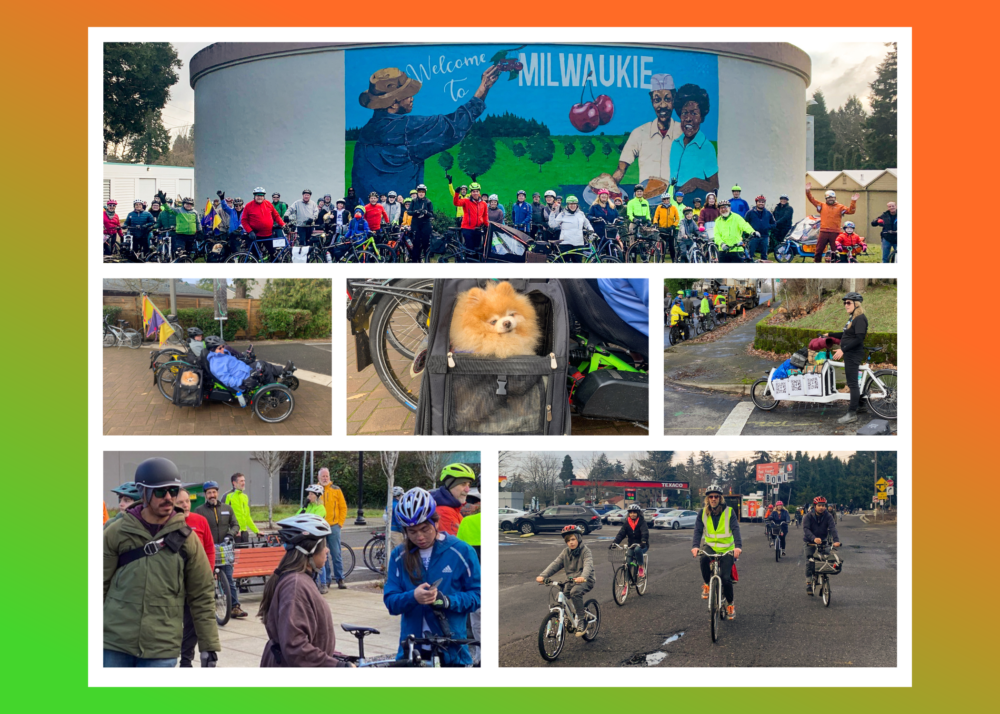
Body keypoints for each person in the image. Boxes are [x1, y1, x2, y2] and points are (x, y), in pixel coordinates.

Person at [103, 458, 220, 668]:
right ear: (143, 492)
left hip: (161, 646)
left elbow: (202, 594)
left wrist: (208, 646)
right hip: (114, 643)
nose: (168, 497)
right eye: (160, 492)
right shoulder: (117, 531)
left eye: (173, 491)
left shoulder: (187, 539)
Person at [352, 65, 501, 199]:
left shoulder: (365, 133)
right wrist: (483, 88)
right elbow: (454, 125)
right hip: (405, 216)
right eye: (406, 95)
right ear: (393, 103)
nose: (411, 98)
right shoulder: (408, 129)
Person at [384, 488, 481, 666]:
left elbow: (478, 595)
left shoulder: (461, 551)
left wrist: (448, 601)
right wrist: (413, 597)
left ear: (436, 523)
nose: (419, 537)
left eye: (424, 529)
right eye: (412, 532)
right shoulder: (399, 555)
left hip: (451, 651)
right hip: (412, 652)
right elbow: (391, 601)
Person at [259, 514, 354, 667]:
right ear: (311, 550)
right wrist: (336, 667)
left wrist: (336, 657)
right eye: (324, 545)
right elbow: (295, 647)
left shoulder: (300, 580)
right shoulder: (295, 586)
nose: (327, 550)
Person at [613, 73, 681, 186]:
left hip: (674, 200)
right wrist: (606, 188)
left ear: (674, 100)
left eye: (667, 99)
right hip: (646, 199)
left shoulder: (683, 132)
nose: (663, 105)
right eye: (657, 100)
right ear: (651, 101)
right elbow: (621, 169)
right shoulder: (639, 133)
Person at [173, 488, 216, 667]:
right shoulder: (169, 524)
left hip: (196, 584)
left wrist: (208, 574)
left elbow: (209, 548)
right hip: (174, 585)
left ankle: (186, 660)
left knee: (191, 626)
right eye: (180, 502)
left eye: (188, 501)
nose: (185, 505)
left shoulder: (200, 521)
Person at [690, 484, 742, 621]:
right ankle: (707, 584)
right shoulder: (702, 512)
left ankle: (730, 605)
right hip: (711, 546)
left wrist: (738, 547)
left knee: (725, 578)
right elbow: (698, 531)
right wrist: (695, 546)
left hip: (727, 549)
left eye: (716, 496)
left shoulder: (729, 511)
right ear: (708, 498)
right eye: (711, 496)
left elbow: (736, 530)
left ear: (720, 498)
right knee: (703, 558)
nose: (713, 499)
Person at [195, 480, 245, 618]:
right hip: (208, 550)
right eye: (209, 492)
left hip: (224, 549)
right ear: (205, 494)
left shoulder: (227, 508)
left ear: (217, 493)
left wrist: (230, 534)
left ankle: (235, 606)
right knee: (207, 581)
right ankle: (209, 607)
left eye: (214, 492)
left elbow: (235, 525)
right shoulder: (200, 510)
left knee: (229, 579)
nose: (212, 495)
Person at [536, 525, 595, 636]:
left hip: (586, 580)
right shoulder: (565, 552)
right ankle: (569, 615)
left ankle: (581, 620)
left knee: (575, 592)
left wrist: (583, 577)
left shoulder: (586, 551)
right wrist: (543, 576)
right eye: (568, 541)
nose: (570, 543)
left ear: (578, 538)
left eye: (573, 539)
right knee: (562, 594)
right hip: (571, 580)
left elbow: (588, 565)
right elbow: (556, 564)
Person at [669, 83, 720, 200]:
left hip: (695, 202)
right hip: (674, 202)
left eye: (694, 113)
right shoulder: (675, 144)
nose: (688, 118)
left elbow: (714, 186)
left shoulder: (706, 147)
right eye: (684, 113)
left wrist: (695, 182)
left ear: (701, 117)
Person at [825, 292, 869, 424]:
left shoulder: (860, 318)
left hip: (853, 354)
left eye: (848, 302)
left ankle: (851, 414)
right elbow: (845, 334)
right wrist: (830, 334)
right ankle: (861, 406)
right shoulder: (853, 318)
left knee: (852, 384)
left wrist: (843, 350)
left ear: (856, 304)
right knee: (854, 382)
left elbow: (859, 338)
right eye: (844, 303)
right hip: (850, 353)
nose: (846, 305)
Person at [456, 488, 482, 666]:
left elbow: (458, 557)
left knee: (477, 620)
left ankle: (480, 656)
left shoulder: (467, 523)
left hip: (473, 580)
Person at [805, 182, 858, 263]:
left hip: (835, 232)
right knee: (819, 250)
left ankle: (834, 264)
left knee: (835, 251)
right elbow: (812, 200)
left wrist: (853, 201)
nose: (830, 199)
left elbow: (851, 211)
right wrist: (808, 191)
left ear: (835, 198)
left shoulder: (840, 207)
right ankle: (816, 264)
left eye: (832, 197)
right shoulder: (821, 205)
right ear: (826, 199)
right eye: (829, 198)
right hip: (823, 232)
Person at [802, 496, 841, 595]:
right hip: (810, 541)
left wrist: (836, 541)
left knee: (826, 559)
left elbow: (833, 529)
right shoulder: (808, 516)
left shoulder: (828, 516)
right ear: (815, 506)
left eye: (823, 505)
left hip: (823, 541)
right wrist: (813, 538)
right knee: (809, 562)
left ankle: (824, 582)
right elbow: (806, 529)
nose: (821, 507)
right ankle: (809, 583)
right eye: (819, 505)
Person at [318, 467, 348, 590]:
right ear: (318, 478)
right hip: (320, 527)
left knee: (336, 554)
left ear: (329, 477)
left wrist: (340, 523)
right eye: (323, 476)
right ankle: (327, 580)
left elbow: (343, 507)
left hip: (334, 526)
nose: (325, 478)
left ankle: (340, 578)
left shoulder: (336, 490)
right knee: (323, 555)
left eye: (327, 476)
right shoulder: (316, 490)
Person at [431, 462, 476, 536]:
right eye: (463, 484)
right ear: (450, 485)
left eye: (469, 485)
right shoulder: (445, 512)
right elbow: (456, 545)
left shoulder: (453, 508)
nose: (467, 490)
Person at [239, 187, 285, 260]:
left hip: (268, 235)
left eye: (261, 195)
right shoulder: (248, 206)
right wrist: (250, 231)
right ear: (254, 196)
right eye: (258, 195)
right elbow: (244, 220)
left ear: (264, 196)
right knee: (255, 256)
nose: (259, 197)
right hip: (255, 235)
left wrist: (283, 225)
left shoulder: (268, 204)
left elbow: (276, 216)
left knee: (273, 254)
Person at [547, 195, 595, 262]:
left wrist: (591, 230)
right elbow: (552, 225)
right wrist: (552, 212)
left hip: (578, 243)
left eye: (574, 204)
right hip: (565, 243)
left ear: (577, 205)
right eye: (570, 204)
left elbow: (587, 223)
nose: (572, 206)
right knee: (564, 262)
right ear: (567, 205)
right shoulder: (562, 214)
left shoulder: (581, 214)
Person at [156, 193, 201, 257]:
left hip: (191, 235)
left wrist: (200, 231)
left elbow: (198, 222)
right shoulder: (178, 210)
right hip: (181, 236)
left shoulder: (195, 212)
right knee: (180, 252)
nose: (188, 205)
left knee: (188, 253)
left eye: (190, 204)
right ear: (183, 204)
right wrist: (163, 201)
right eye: (187, 204)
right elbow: (168, 208)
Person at [611, 504, 649, 579]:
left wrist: (643, 541)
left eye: (634, 512)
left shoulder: (642, 522)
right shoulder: (626, 523)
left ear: (638, 513)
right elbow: (621, 534)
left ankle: (641, 567)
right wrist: (615, 543)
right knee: (628, 564)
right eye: (631, 512)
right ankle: (626, 585)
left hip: (642, 545)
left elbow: (645, 532)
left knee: (637, 550)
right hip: (631, 546)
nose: (632, 514)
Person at [453, 181, 489, 253]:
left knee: (477, 249)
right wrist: (456, 193)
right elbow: (456, 203)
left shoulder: (483, 203)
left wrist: (488, 226)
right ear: (471, 192)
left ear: (479, 192)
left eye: (477, 191)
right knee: (470, 248)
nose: (475, 193)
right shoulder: (466, 201)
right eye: (473, 191)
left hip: (478, 229)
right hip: (467, 228)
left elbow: (485, 216)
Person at [225, 472, 259, 547]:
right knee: (237, 556)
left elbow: (247, 517)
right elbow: (225, 516)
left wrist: (257, 531)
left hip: (244, 532)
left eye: (244, 481)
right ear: (234, 483)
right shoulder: (228, 496)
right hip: (235, 533)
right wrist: (233, 531)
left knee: (245, 556)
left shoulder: (245, 497)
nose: (243, 483)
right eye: (241, 481)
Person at [407, 184, 434, 262]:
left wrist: (426, 212)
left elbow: (431, 214)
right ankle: (415, 261)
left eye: (423, 191)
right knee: (416, 243)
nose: (421, 193)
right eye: (419, 191)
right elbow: (409, 212)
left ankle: (426, 260)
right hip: (416, 224)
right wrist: (416, 212)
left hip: (425, 224)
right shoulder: (413, 201)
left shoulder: (428, 202)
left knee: (426, 244)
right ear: (417, 192)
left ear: (425, 192)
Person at [745, 195, 775, 261]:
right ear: (756, 202)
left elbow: (774, 224)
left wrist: (768, 227)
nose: (761, 203)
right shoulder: (750, 213)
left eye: (763, 202)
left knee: (764, 255)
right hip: (753, 237)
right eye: (759, 202)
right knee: (750, 255)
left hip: (765, 236)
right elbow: (745, 223)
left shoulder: (768, 213)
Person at [653, 193, 680, 262]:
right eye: (665, 199)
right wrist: (655, 223)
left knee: (671, 246)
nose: (666, 200)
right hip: (662, 228)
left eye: (667, 198)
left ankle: (673, 260)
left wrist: (674, 225)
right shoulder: (659, 207)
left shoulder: (673, 208)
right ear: (662, 200)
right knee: (662, 246)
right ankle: (662, 259)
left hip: (671, 229)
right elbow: (656, 217)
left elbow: (677, 218)